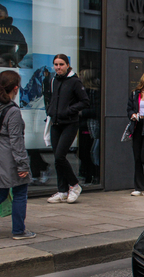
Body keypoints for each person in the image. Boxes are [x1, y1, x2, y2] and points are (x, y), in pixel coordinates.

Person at [46, 54, 90, 204]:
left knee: (60, 156)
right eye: (56, 64)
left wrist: (68, 110)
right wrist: (51, 110)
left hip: (70, 124)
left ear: (67, 65)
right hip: (56, 124)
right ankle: (62, 191)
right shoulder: (53, 80)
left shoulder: (75, 81)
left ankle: (75, 186)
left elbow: (85, 101)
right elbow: (50, 98)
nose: (58, 67)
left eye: (61, 64)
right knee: (58, 160)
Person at [0, 70, 35, 239]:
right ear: (15, 88)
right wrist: (22, 165)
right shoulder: (12, 111)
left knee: (1, 192)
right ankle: (19, 230)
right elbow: (16, 141)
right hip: (8, 159)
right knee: (20, 191)